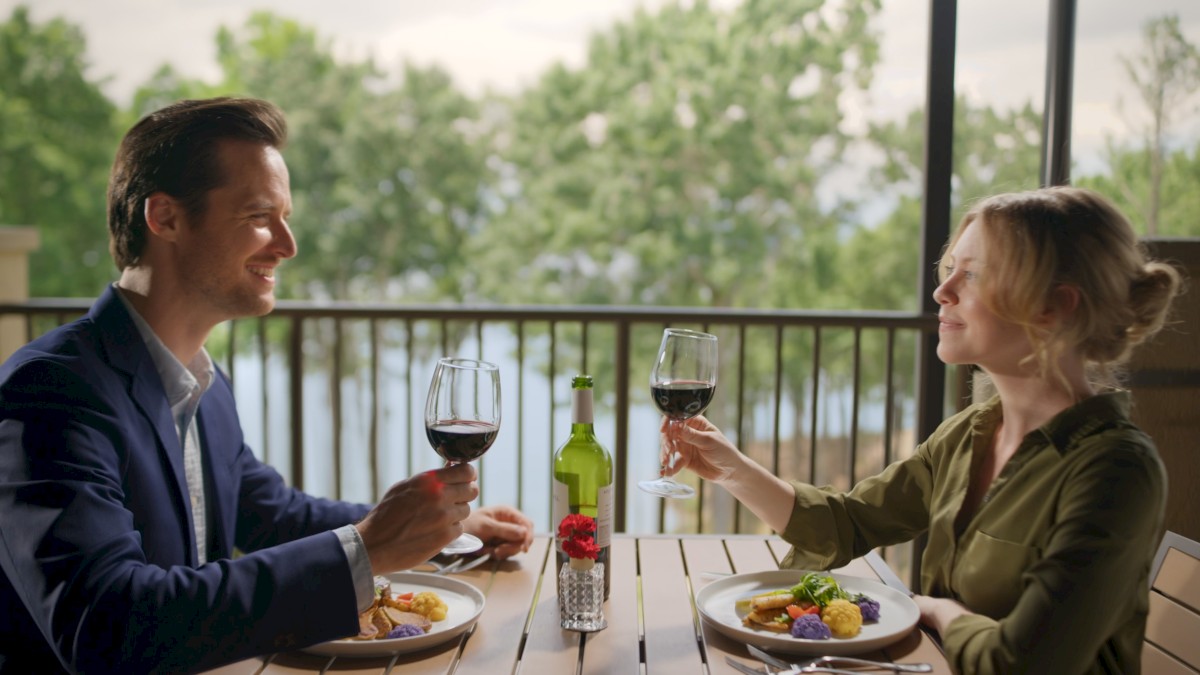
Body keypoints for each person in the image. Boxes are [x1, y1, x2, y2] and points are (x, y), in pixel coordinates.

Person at [0, 97, 533, 674]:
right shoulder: (53, 390)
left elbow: (272, 514)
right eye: (258, 216)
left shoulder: (203, 381)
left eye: (286, 216)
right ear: (166, 218)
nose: (287, 244)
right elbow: (105, 624)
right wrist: (367, 547)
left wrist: (438, 530)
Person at [661, 186, 1183, 674]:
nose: (942, 290)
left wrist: (938, 610)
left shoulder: (1115, 470)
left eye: (972, 275)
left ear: (1055, 307)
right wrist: (732, 468)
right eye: (950, 269)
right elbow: (849, 523)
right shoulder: (971, 435)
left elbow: (1021, 663)